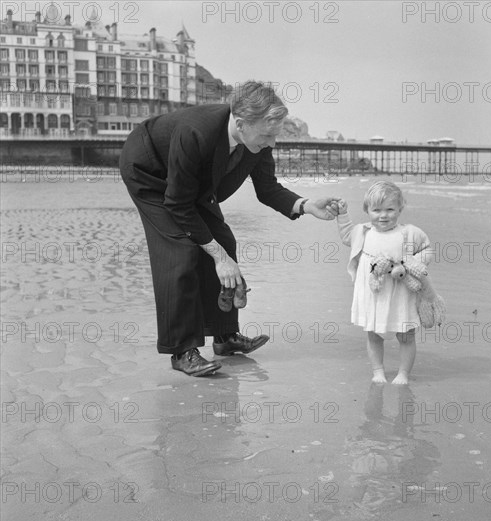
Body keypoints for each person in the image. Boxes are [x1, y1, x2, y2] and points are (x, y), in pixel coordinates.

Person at [119, 81, 339, 377]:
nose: (272, 143)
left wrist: (305, 204)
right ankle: (182, 351)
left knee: (223, 239)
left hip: (190, 185)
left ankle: (224, 337)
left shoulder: (256, 139)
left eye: (274, 135)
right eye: (267, 135)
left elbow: (267, 189)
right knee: (182, 250)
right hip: (150, 172)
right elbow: (178, 203)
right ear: (241, 124)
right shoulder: (196, 131)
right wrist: (218, 257)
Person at [335, 181, 434, 384]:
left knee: (406, 335)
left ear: (400, 209)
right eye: (376, 210)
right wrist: (342, 213)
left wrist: (411, 264)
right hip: (374, 293)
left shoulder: (409, 233)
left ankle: (403, 374)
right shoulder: (363, 232)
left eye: (390, 209)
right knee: (373, 334)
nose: (383, 215)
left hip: (401, 293)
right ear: (367, 210)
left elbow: (427, 249)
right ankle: (378, 371)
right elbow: (346, 235)